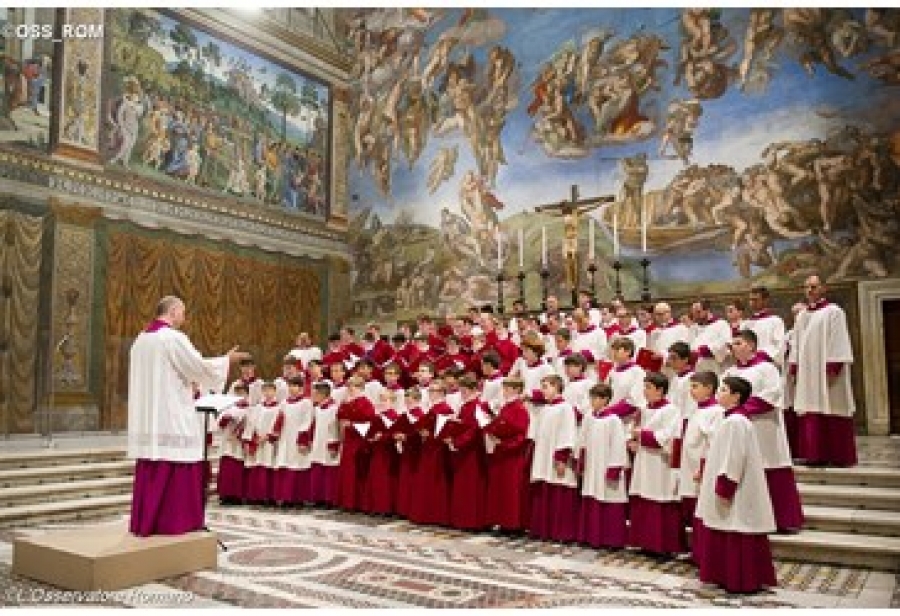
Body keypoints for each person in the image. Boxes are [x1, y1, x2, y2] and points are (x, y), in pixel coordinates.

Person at [128, 296, 248, 537]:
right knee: (176, 463)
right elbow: (198, 368)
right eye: (182, 312)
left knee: (153, 465)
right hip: (170, 414)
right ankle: (174, 522)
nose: (184, 318)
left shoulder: (141, 340)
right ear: (172, 312)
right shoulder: (172, 338)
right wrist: (227, 360)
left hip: (149, 416)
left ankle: (147, 521)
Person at [693, 376, 777, 594]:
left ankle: (739, 578)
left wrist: (726, 485)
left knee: (735, 526)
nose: (718, 393)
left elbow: (733, 457)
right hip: (730, 483)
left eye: (723, 389)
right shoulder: (729, 419)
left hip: (735, 488)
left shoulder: (735, 422)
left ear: (736, 396)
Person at [724, 330, 804, 532]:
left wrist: (741, 409)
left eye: (738, 342)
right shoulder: (730, 372)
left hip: (765, 429)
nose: (733, 346)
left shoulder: (767, 368)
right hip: (740, 429)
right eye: (733, 343)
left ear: (751, 346)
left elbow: (772, 395)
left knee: (771, 468)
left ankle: (783, 520)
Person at [788, 275, 857, 466]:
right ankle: (814, 455)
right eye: (807, 286)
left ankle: (838, 456)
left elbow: (839, 337)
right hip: (808, 371)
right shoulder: (802, 315)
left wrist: (834, 363)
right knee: (810, 407)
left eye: (814, 286)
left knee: (833, 405)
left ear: (823, 288)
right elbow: (796, 341)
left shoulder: (834, 312)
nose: (810, 290)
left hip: (827, 370)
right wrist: (794, 363)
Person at [627, 372, 686, 556]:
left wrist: (642, 435)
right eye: (644, 387)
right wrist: (634, 441)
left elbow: (669, 437)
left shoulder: (671, 411)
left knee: (660, 498)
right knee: (643, 495)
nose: (644, 391)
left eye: (648, 387)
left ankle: (663, 546)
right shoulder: (644, 409)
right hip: (645, 459)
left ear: (660, 390)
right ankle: (644, 541)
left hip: (661, 464)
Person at [577, 383, 629, 549]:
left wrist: (614, 468)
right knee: (591, 494)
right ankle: (590, 536)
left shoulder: (614, 420)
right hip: (592, 466)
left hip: (606, 466)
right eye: (591, 397)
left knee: (608, 498)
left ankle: (610, 539)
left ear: (606, 399)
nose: (592, 401)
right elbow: (582, 440)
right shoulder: (588, 417)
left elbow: (618, 445)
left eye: (596, 398)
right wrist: (581, 461)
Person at [528, 375, 580, 543]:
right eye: (542, 386)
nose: (542, 390)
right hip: (543, 457)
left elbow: (567, 433)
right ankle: (544, 529)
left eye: (546, 386)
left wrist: (561, 458)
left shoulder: (565, 408)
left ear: (557, 387)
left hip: (557, 459)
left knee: (559, 492)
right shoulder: (545, 409)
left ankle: (561, 532)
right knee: (544, 490)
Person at [483, 377, 531, 533]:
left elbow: (521, 435)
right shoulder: (506, 407)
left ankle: (512, 524)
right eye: (504, 389)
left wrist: (503, 443)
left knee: (510, 490)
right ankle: (500, 521)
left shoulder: (520, 409)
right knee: (499, 489)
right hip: (501, 453)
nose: (504, 392)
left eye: (507, 389)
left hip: (512, 455)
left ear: (516, 390)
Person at [677, 371, 725, 526]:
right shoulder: (697, 409)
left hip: (702, 466)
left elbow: (714, 442)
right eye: (691, 386)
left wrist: (704, 467)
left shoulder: (717, 412)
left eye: (695, 387)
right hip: (690, 464)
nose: (691, 391)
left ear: (709, 388)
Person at [272, 376, 313, 507]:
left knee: (298, 466)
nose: (291, 388)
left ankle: (298, 498)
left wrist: (302, 440)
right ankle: (285, 497)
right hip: (285, 438)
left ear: (301, 388)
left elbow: (308, 421)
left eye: (294, 386)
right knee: (285, 464)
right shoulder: (284, 403)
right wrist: (275, 433)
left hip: (297, 439)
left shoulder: (306, 402)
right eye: (290, 386)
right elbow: (279, 419)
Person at [216, 383, 250, 505]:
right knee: (227, 468)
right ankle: (225, 494)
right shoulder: (228, 408)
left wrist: (241, 434)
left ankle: (238, 495)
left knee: (238, 469)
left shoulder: (250, 410)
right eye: (238, 393)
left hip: (240, 442)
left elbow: (251, 426)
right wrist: (225, 419)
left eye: (243, 393)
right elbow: (219, 424)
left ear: (247, 394)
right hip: (228, 442)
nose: (240, 396)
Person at [744, 286, 786, 365]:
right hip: (748, 366)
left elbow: (780, 346)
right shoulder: (745, 324)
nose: (752, 302)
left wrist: (763, 354)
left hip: (767, 364)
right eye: (750, 300)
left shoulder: (775, 321)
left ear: (765, 300)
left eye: (755, 300)